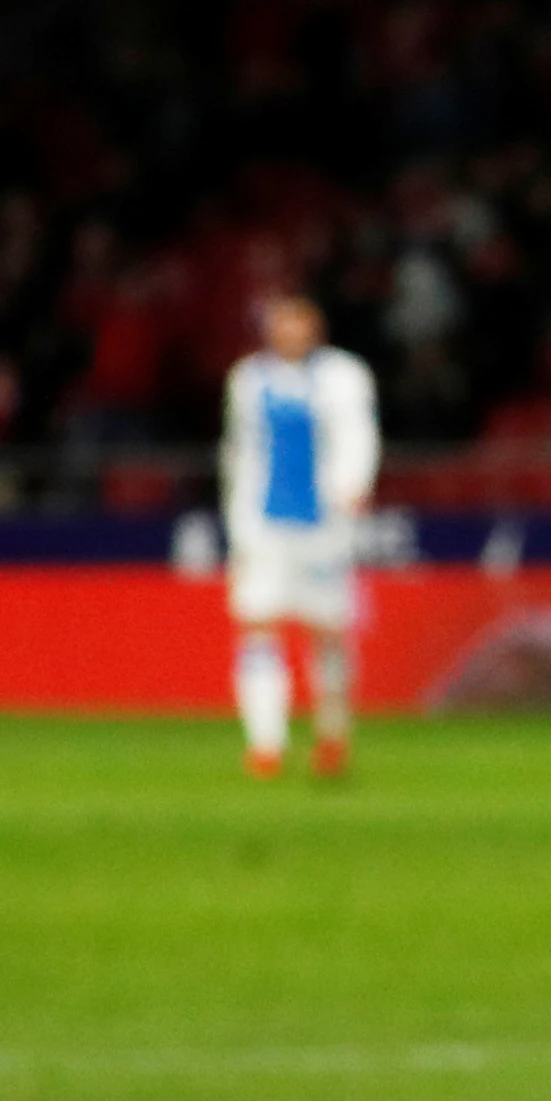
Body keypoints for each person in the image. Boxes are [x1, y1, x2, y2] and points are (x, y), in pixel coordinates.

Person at [218, 292, 381, 781]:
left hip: (324, 524)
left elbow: (359, 436)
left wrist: (354, 488)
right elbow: (239, 451)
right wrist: (237, 521)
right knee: (258, 626)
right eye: (281, 324)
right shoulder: (247, 378)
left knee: (328, 630)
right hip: (264, 524)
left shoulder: (344, 376)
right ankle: (266, 743)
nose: (289, 333)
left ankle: (332, 732)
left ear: (316, 328)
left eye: (298, 324)